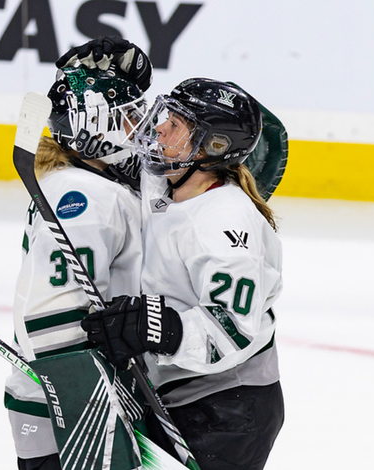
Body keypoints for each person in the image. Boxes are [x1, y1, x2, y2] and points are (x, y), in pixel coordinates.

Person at [81, 78, 285, 470]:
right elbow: (125, 141)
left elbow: (232, 329)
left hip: (229, 408)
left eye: (174, 124)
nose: (159, 128)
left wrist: (155, 327)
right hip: (179, 392)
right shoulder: (168, 183)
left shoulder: (223, 221)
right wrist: (98, 86)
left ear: (213, 147)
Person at [3, 50, 150, 470]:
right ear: (94, 130)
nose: (139, 127)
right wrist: (92, 398)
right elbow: (50, 316)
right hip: (71, 410)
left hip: (87, 401)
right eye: (127, 116)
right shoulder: (84, 198)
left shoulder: (96, 181)